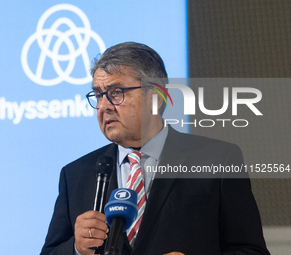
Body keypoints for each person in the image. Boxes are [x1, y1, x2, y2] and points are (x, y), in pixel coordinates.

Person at [40, 42, 270, 255]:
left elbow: (251, 251)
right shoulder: (76, 175)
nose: (102, 106)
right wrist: (76, 248)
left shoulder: (218, 159)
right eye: (98, 95)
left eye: (115, 93)